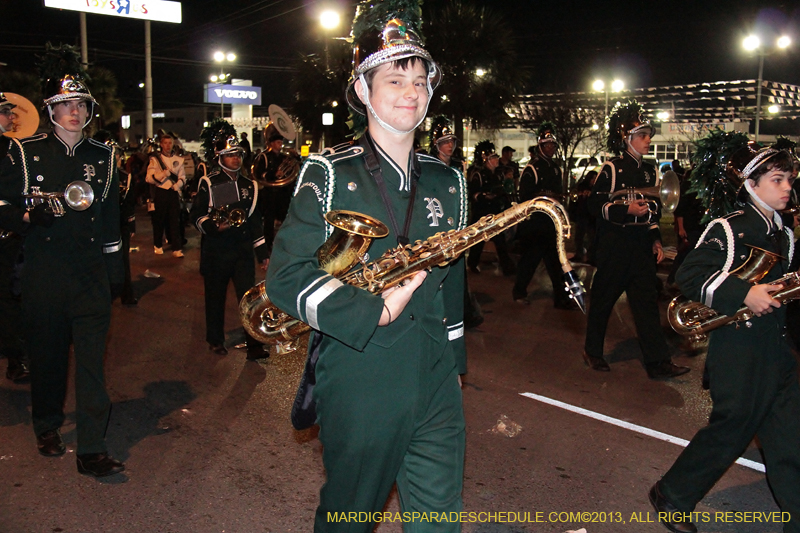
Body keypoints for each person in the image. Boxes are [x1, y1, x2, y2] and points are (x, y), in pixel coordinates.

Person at [265, 2, 467, 529]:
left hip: (436, 377)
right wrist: (370, 311)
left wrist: (456, 364)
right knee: (351, 515)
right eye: (396, 79)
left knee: (439, 518)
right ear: (362, 90)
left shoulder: (448, 181)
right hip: (361, 371)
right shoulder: (329, 171)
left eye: (421, 81)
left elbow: (453, 283)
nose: (412, 92)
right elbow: (286, 278)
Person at [649, 146, 800, 533]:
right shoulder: (729, 227)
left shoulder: (782, 230)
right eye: (777, 180)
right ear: (751, 184)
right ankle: (672, 494)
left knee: (788, 437)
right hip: (738, 348)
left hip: (776, 349)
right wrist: (746, 294)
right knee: (731, 431)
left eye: (789, 180)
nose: (787, 188)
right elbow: (690, 274)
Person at [0, 75, 125, 477]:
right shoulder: (23, 151)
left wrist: (116, 275)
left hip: (89, 275)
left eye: (82, 105)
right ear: (51, 110)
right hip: (45, 273)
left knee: (91, 365)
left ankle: (91, 448)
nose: (75, 112)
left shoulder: (104, 156)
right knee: (48, 358)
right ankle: (48, 425)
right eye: (67, 105)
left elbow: (109, 220)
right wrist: (24, 216)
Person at [583, 100, 689, 379]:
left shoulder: (651, 170)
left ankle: (657, 362)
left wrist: (655, 239)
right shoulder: (612, 167)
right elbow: (595, 205)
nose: (647, 140)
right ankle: (592, 351)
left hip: (641, 246)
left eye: (648, 135)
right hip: (615, 246)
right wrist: (624, 209)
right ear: (626, 139)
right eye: (642, 136)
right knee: (603, 301)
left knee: (646, 306)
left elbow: (653, 211)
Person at [190, 135, 269, 359]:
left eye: (238, 155)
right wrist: (214, 227)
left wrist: (262, 255)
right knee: (215, 299)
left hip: (242, 252)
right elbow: (196, 215)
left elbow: (255, 222)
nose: (235, 159)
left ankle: (254, 345)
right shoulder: (209, 182)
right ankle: (215, 340)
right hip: (216, 251)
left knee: (248, 301)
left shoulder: (249, 185)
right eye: (230, 155)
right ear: (220, 158)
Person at [512, 122, 574, 308]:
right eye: (547, 144)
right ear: (540, 145)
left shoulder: (556, 168)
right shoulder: (532, 168)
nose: (551, 148)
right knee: (529, 261)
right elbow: (524, 196)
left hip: (551, 221)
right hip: (535, 222)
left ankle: (561, 298)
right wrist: (543, 195)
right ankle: (519, 291)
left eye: (553, 145)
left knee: (555, 261)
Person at [0, 93, 30, 383]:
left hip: (10, 239)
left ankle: (16, 358)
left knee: (11, 298)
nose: (11, 117)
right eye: (5, 112)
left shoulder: (15, 147)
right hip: (10, 227)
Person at [466, 140, 515, 275]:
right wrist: (483, 196)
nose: (496, 160)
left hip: (494, 211)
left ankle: (507, 266)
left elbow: (504, 189)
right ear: (486, 160)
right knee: (478, 240)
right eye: (493, 158)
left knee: (500, 240)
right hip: (481, 212)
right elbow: (473, 193)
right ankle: (472, 263)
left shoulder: (498, 174)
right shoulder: (478, 174)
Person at [251, 127, 296, 251]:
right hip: (269, 192)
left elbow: (292, 171)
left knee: (284, 218)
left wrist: (295, 158)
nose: (280, 145)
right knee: (269, 220)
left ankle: (283, 242)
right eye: (278, 143)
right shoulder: (263, 157)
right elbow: (258, 173)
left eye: (281, 143)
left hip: (282, 192)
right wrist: (273, 174)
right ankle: (268, 244)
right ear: (271, 144)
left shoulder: (284, 157)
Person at [146, 132, 185, 257]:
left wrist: (178, 185)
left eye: (170, 143)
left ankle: (177, 248)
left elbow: (183, 177)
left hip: (173, 192)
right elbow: (149, 179)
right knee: (159, 220)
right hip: (161, 192)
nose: (168, 146)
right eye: (165, 143)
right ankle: (158, 244)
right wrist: (163, 174)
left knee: (175, 221)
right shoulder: (155, 160)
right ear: (161, 145)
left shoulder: (179, 160)